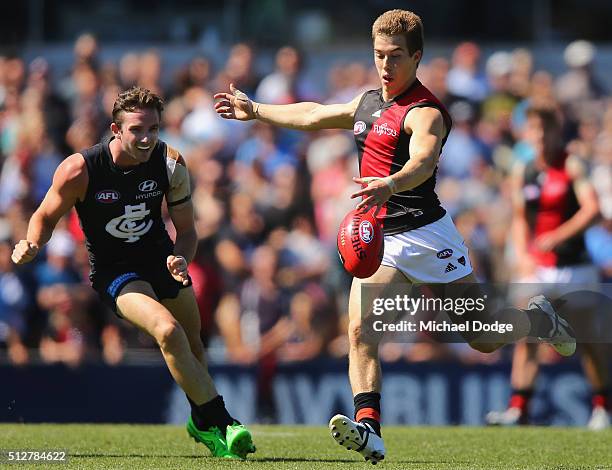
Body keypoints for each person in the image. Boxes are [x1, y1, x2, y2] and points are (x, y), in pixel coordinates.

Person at [214, 9, 574, 464]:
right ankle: (370, 428)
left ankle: (540, 321)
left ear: (417, 57)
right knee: (360, 330)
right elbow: (315, 113)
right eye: (379, 55)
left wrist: (392, 182)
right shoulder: (367, 103)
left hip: (427, 235)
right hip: (382, 241)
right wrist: (257, 110)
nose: (386, 66)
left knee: (481, 336)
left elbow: (423, 160)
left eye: (396, 56)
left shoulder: (425, 112)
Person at [12, 86, 255, 460]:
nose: (146, 138)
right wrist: (31, 243)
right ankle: (224, 423)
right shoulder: (80, 169)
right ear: (115, 129)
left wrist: (180, 257)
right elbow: (44, 216)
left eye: (153, 130)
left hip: (161, 262)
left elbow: (187, 231)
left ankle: (201, 423)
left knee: (192, 343)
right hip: (116, 273)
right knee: (167, 330)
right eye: (137, 130)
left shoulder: (171, 163)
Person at [486, 107, 609, 430]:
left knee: (587, 340)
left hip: (574, 268)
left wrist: (559, 235)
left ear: (556, 131)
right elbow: (518, 218)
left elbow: (593, 210)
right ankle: (519, 409)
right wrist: (522, 255)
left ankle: (602, 408)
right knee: (526, 333)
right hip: (538, 268)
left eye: (545, 129)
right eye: (534, 129)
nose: (540, 136)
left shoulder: (571, 164)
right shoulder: (523, 170)